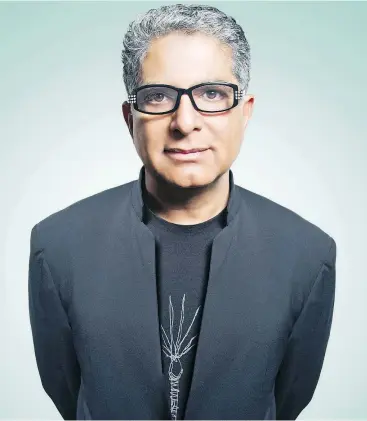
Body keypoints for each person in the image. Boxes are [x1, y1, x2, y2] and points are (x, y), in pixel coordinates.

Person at [28, 4, 337, 420]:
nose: (185, 121)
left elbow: (287, 399)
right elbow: (66, 389)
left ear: (244, 113)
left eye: (212, 94)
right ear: (130, 118)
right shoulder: (58, 245)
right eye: (158, 96)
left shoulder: (307, 254)